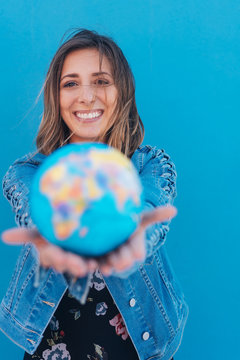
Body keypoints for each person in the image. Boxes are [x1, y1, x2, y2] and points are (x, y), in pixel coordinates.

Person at [0, 29, 188, 360]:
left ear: (122, 92)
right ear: (56, 98)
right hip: (55, 345)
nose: (86, 96)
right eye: (70, 83)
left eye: (101, 81)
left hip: (139, 344)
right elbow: (37, 213)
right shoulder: (28, 172)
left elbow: (148, 218)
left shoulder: (151, 165)